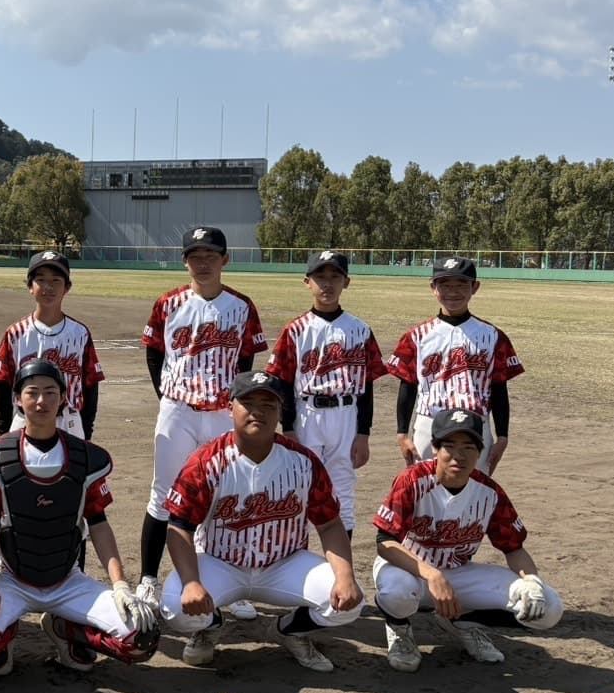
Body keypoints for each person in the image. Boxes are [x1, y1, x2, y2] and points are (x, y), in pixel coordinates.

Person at [0, 359, 159, 678]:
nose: (41, 401)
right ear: (17, 399)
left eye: (50, 392)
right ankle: (3, 642)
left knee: (142, 638)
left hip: (67, 580)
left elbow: (99, 524)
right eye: (32, 392)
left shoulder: (85, 457)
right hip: (13, 579)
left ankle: (64, 629)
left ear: (63, 397)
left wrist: (120, 585)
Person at [160, 370, 364, 672]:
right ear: (230, 408)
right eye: (248, 403)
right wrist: (191, 583)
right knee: (175, 605)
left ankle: (289, 630)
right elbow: (179, 527)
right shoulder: (206, 461)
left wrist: (345, 576)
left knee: (351, 602)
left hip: (285, 565)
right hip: (220, 563)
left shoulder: (303, 461)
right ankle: (209, 625)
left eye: (268, 405)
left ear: (280, 412)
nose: (258, 412)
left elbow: (329, 524)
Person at [136, 226, 266, 622]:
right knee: (163, 494)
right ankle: (148, 579)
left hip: (224, 414)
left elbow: (246, 364)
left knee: (225, 498)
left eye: (211, 255)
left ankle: (228, 583)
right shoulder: (168, 304)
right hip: (178, 411)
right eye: (195, 256)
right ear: (185, 261)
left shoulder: (242, 306)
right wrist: (168, 396)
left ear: (226, 260)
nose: (203, 263)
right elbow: (154, 353)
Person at [372, 409, 563, 672]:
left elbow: (513, 548)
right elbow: (384, 541)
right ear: (435, 448)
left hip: (459, 573)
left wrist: (531, 581)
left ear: (479, 452)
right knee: (396, 593)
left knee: (549, 607)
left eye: (468, 447)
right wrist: (431, 574)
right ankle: (399, 628)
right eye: (449, 446)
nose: (458, 455)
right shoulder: (412, 480)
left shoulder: (490, 493)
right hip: (407, 569)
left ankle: (462, 621)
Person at [265, 250, 388, 534]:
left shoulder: (359, 330)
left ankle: (341, 560)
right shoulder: (295, 330)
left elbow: (366, 385)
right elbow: (282, 383)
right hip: (306, 413)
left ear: (347, 282)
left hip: (347, 414)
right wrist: (288, 427)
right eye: (320, 277)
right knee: (300, 486)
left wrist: (364, 433)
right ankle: (299, 557)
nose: (327, 284)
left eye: (335, 277)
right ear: (307, 282)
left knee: (342, 490)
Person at [389, 256, 523, 474]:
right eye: (445, 284)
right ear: (433, 288)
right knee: (425, 489)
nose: (453, 292)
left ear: (475, 287)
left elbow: (499, 388)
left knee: (473, 489)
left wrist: (503, 436)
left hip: (475, 425)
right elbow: (408, 385)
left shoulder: (493, 336)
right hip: (429, 423)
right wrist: (402, 433)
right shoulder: (416, 336)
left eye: (461, 284)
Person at [0, 251, 104, 438]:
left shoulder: (80, 333)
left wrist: (86, 431)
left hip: (69, 421)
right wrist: (4, 434)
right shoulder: (16, 333)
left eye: (56, 280)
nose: (48, 287)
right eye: (41, 280)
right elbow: (2, 385)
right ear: (30, 286)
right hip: (25, 420)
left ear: (67, 287)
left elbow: (90, 385)